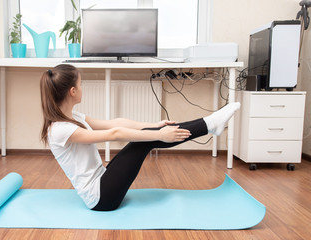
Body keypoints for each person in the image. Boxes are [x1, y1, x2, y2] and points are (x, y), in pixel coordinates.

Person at [40, 64, 240, 211]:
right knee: (142, 142)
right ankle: (210, 124)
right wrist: (157, 135)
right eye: (81, 84)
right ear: (72, 91)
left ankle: (210, 125)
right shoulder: (59, 129)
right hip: (100, 198)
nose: (83, 88)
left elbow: (114, 123)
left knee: (145, 139)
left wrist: (153, 126)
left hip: (103, 181)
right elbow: (113, 134)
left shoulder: (73, 117)